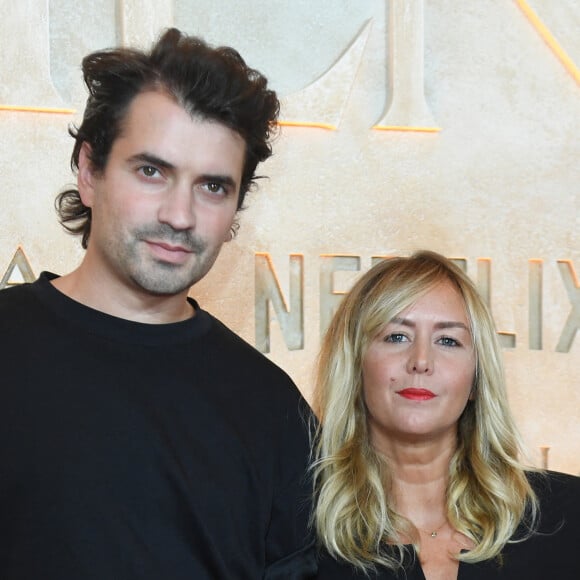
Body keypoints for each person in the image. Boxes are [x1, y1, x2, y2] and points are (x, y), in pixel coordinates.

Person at [0, 28, 316, 579]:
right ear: (89, 170)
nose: (180, 215)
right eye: (152, 171)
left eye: (213, 187)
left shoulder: (273, 411)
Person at [311, 250, 580, 579]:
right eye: (397, 336)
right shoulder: (296, 531)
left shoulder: (568, 516)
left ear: (476, 380)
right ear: (355, 365)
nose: (421, 360)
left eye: (448, 341)